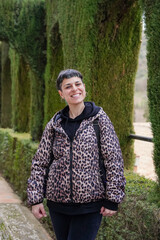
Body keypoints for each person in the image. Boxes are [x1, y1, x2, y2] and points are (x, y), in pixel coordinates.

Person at [27, 69, 126, 240]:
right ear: (61, 93)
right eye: (68, 86)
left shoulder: (99, 119)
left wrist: (113, 199)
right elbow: (40, 162)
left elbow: (114, 159)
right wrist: (35, 199)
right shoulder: (55, 123)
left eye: (77, 84)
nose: (74, 89)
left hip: (90, 205)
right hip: (57, 206)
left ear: (84, 87)